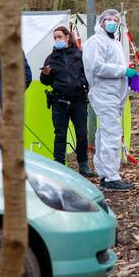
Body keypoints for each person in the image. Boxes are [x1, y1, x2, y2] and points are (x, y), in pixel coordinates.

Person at [82, 9, 135, 191]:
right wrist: (123, 71)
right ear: (101, 22)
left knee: (104, 134)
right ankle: (111, 177)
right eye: (109, 19)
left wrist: (128, 77)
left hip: (114, 94)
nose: (112, 22)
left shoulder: (115, 43)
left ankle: (105, 174)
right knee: (111, 135)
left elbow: (116, 66)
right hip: (103, 93)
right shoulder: (95, 42)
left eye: (115, 20)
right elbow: (97, 67)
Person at [40, 26, 95, 177]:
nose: (57, 39)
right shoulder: (51, 58)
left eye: (59, 36)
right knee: (60, 135)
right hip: (59, 101)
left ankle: (83, 164)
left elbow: (87, 73)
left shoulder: (78, 55)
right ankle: (59, 165)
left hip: (78, 100)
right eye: (55, 38)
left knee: (82, 133)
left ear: (67, 37)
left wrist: (82, 83)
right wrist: (46, 74)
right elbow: (44, 81)